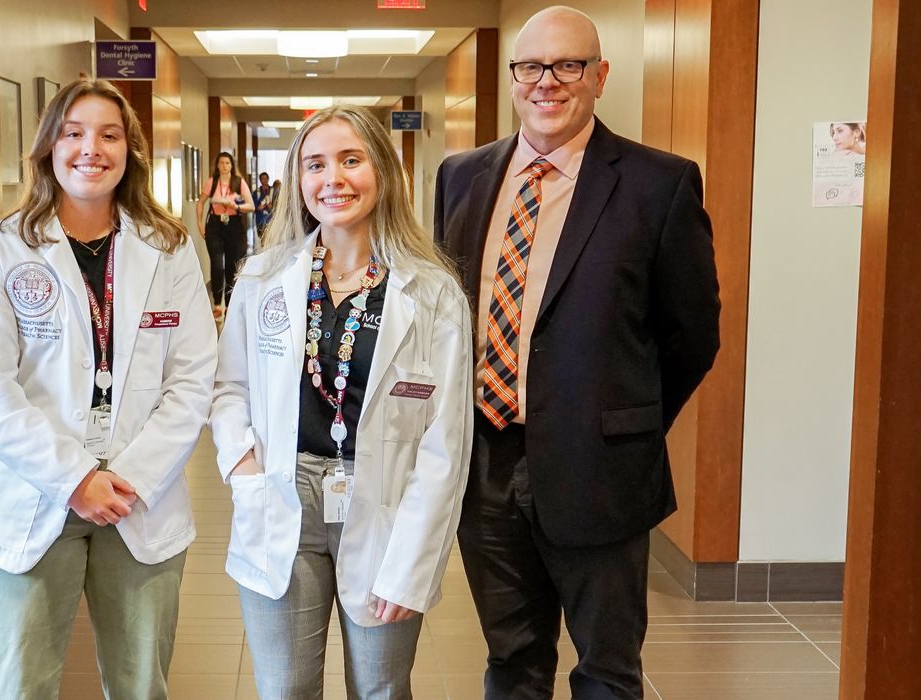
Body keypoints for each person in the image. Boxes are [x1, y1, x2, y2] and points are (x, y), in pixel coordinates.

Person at [434, 7, 721, 699]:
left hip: (601, 467)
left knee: (605, 670)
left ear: (598, 75)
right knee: (511, 661)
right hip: (486, 465)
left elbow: (691, 334)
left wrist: (624, 418)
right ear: (512, 78)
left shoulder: (658, 183)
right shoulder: (460, 176)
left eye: (567, 65)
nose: (547, 82)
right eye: (531, 66)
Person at [0, 77, 217, 700]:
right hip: (30, 493)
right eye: (72, 133)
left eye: (108, 134)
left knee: (140, 687)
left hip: (137, 496)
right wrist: (75, 479)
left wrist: (127, 479)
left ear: (130, 150)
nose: (89, 149)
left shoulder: (171, 249)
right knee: (19, 686)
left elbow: (193, 377)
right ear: (48, 146)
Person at [211, 104, 473, 700]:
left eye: (351, 160)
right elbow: (229, 389)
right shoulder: (263, 277)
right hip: (282, 493)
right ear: (298, 181)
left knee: (380, 688)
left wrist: (413, 564)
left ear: (382, 171)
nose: (334, 179)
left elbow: (445, 444)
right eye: (316, 164)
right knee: (284, 690)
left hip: (382, 499)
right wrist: (243, 467)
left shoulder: (432, 292)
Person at [197, 152, 255, 317]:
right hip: (215, 225)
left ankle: (230, 304)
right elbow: (200, 203)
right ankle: (217, 304)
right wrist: (200, 224)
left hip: (233, 225)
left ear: (232, 165)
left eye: (227, 163)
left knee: (232, 265)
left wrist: (236, 206)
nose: (224, 166)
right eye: (221, 163)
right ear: (217, 165)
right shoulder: (212, 182)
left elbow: (250, 206)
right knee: (216, 265)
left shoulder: (238, 182)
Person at [253, 170, 275, 238]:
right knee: (262, 239)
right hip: (260, 220)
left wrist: (272, 207)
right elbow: (253, 206)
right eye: (263, 178)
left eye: (266, 178)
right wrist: (258, 207)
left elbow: (279, 204)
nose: (264, 180)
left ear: (268, 179)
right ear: (260, 180)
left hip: (272, 220)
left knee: (271, 239)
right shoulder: (256, 192)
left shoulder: (274, 190)